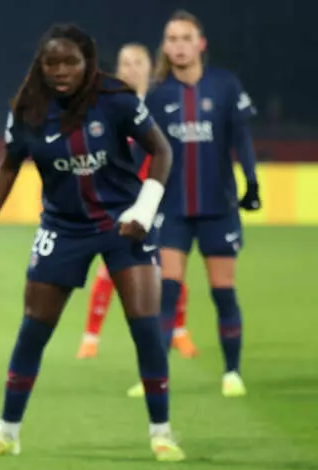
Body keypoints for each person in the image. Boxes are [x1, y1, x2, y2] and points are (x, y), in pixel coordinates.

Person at [0, 24, 185, 462]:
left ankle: (162, 432)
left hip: (125, 223)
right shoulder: (27, 110)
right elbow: (7, 172)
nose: (61, 71)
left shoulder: (116, 98)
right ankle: (7, 432)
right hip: (62, 228)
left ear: (88, 63)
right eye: (52, 63)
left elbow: (162, 151)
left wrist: (145, 209)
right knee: (33, 329)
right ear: (40, 66)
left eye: (71, 62)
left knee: (145, 325)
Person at [127, 10, 260, 399]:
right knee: (166, 291)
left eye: (186, 38)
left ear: (200, 43)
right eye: (172, 39)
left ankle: (232, 372)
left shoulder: (225, 86)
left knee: (223, 291)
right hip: (173, 210)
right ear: (165, 47)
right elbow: (142, 149)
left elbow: (243, 139)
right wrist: (126, 190)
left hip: (219, 208)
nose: (179, 46)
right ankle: (157, 378)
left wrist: (251, 182)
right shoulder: (158, 93)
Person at [77, 43, 197, 360]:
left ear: (150, 66)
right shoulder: (110, 106)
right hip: (120, 201)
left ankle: (180, 332)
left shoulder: (161, 105)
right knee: (110, 270)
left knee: (169, 270)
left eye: (138, 62)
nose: (131, 68)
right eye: (125, 62)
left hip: (160, 199)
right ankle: (91, 337)